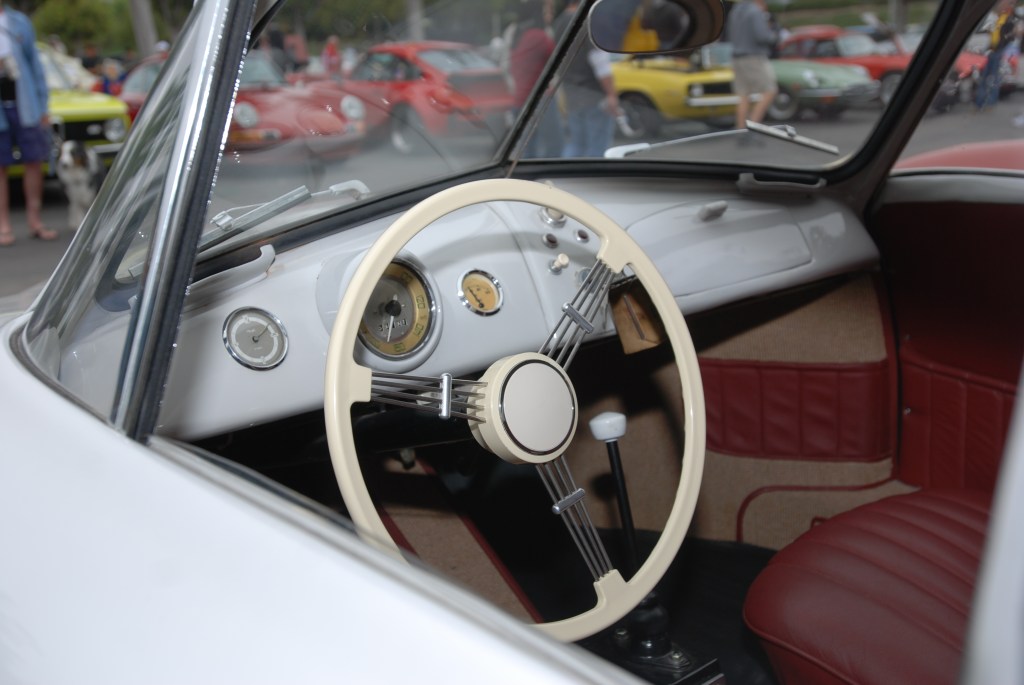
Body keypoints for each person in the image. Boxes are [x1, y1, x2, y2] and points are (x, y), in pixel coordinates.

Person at [0, 4, 57, 246]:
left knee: (33, 159)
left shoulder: (19, 21)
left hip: (26, 104)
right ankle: (3, 224)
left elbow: (34, 65)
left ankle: (35, 221)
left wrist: (43, 106)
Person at [554, 0, 621, 157]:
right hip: (594, 96)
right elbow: (600, 63)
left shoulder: (559, 23)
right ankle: (596, 179)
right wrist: (611, 94)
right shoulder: (589, 22)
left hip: (572, 95)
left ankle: (565, 179)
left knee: (576, 145)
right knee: (598, 149)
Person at [508, 0, 562, 157]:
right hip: (539, 100)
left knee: (527, 151)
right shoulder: (540, 37)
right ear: (538, 12)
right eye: (548, 11)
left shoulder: (518, 35)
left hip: (519, 100)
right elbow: (560, 60)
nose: (551, 15)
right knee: (555, 146)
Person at [724, 0, 778, 129]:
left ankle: (741, 129)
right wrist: (774, 35)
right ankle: (754, 126)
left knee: (743, 95)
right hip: (753, 57)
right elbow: (762, 36)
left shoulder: (735, 11)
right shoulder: (755, 12)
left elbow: (729, 34)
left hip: (736, 57)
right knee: (770, 91)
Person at [974, 0, 1019, 111]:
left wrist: (1001, 47)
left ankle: (990, 102)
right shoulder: (994, 16)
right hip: (987, 50)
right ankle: (980, 102)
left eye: (1009, 3)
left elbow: (1010, 36)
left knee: (993, 77)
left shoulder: (1010, 18)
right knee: (984, 76)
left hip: (997, 51)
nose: (1004, 5)